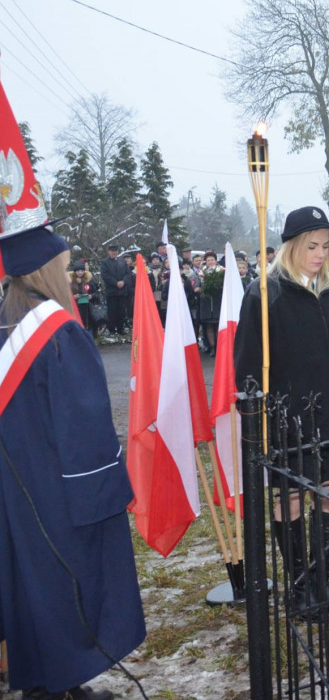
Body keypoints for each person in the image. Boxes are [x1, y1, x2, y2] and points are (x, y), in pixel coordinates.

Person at [0, 222, 145, 700]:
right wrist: (105, 493)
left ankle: (44, 683)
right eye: (63, 266)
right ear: (46, 271)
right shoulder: (59, 332)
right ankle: (57, 685)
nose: (70, 274)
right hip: (62, 493)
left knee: (27, 588)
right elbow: (85, 427)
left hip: (14, 493)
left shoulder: (6, 326)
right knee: (68, 587)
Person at [235, 206, 329, 610]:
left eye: (326, 246)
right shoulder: (266, 295)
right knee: (290, 497)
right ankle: (298, 586)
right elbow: (246, 370)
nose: (320, 253)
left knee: (327, 495)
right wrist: (262, 417)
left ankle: (321, 581)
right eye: (311, 246)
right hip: (288, 421)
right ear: (291, 247)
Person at [100, 243, 131, 334]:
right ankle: (112, 329)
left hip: (122, 291)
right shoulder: (105, 262)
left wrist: (123, 281)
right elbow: (105, 275)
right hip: (111, 291)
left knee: (121, 311)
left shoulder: (122, 261)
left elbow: (128, 273)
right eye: (112, 251)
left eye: (115, 251)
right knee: (112, 311)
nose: (114, 253)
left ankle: (121, 328)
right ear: (108, 252)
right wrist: (115, 283)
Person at [199, 250, 223, 356]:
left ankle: (219, 347)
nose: (210, 262)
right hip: (207, 301)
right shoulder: (202, 272)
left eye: (212, 260)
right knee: (209, 325)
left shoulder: (221, 270)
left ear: (216, 260)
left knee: (218, 325)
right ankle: (212, 347)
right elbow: (199, 284)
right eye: (208, 260)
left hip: (218, 299)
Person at [69, 259, 98, 335]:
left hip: (88, 308)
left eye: (81, 270)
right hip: (75, 308)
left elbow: (96, 293)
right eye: (78, 271)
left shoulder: (89, 280)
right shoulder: (70, 281)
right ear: (75, 272)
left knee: (87, 325)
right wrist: (73, 297)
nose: (80, 272)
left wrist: (91, 296)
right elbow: (66, 295)